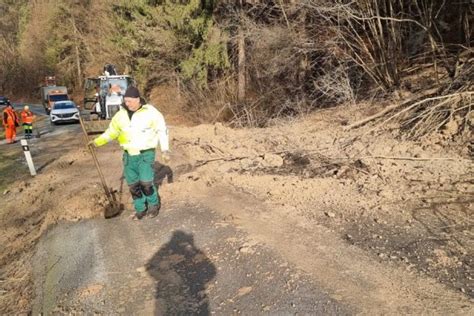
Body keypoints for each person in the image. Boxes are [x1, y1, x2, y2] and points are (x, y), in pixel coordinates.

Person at [90, 86, 170, 220]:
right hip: (128, 156)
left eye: (130, 101)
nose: (127, 104)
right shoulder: (120, 115)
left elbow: (162, 130)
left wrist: (165, 149)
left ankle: (153, 205)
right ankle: (140, 209)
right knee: (133, 185)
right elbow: (112, 132)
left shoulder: (151, 112)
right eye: (125, 101)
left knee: (146, 183)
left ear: (138, 100)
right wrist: (96, 142)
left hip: (146, 153)